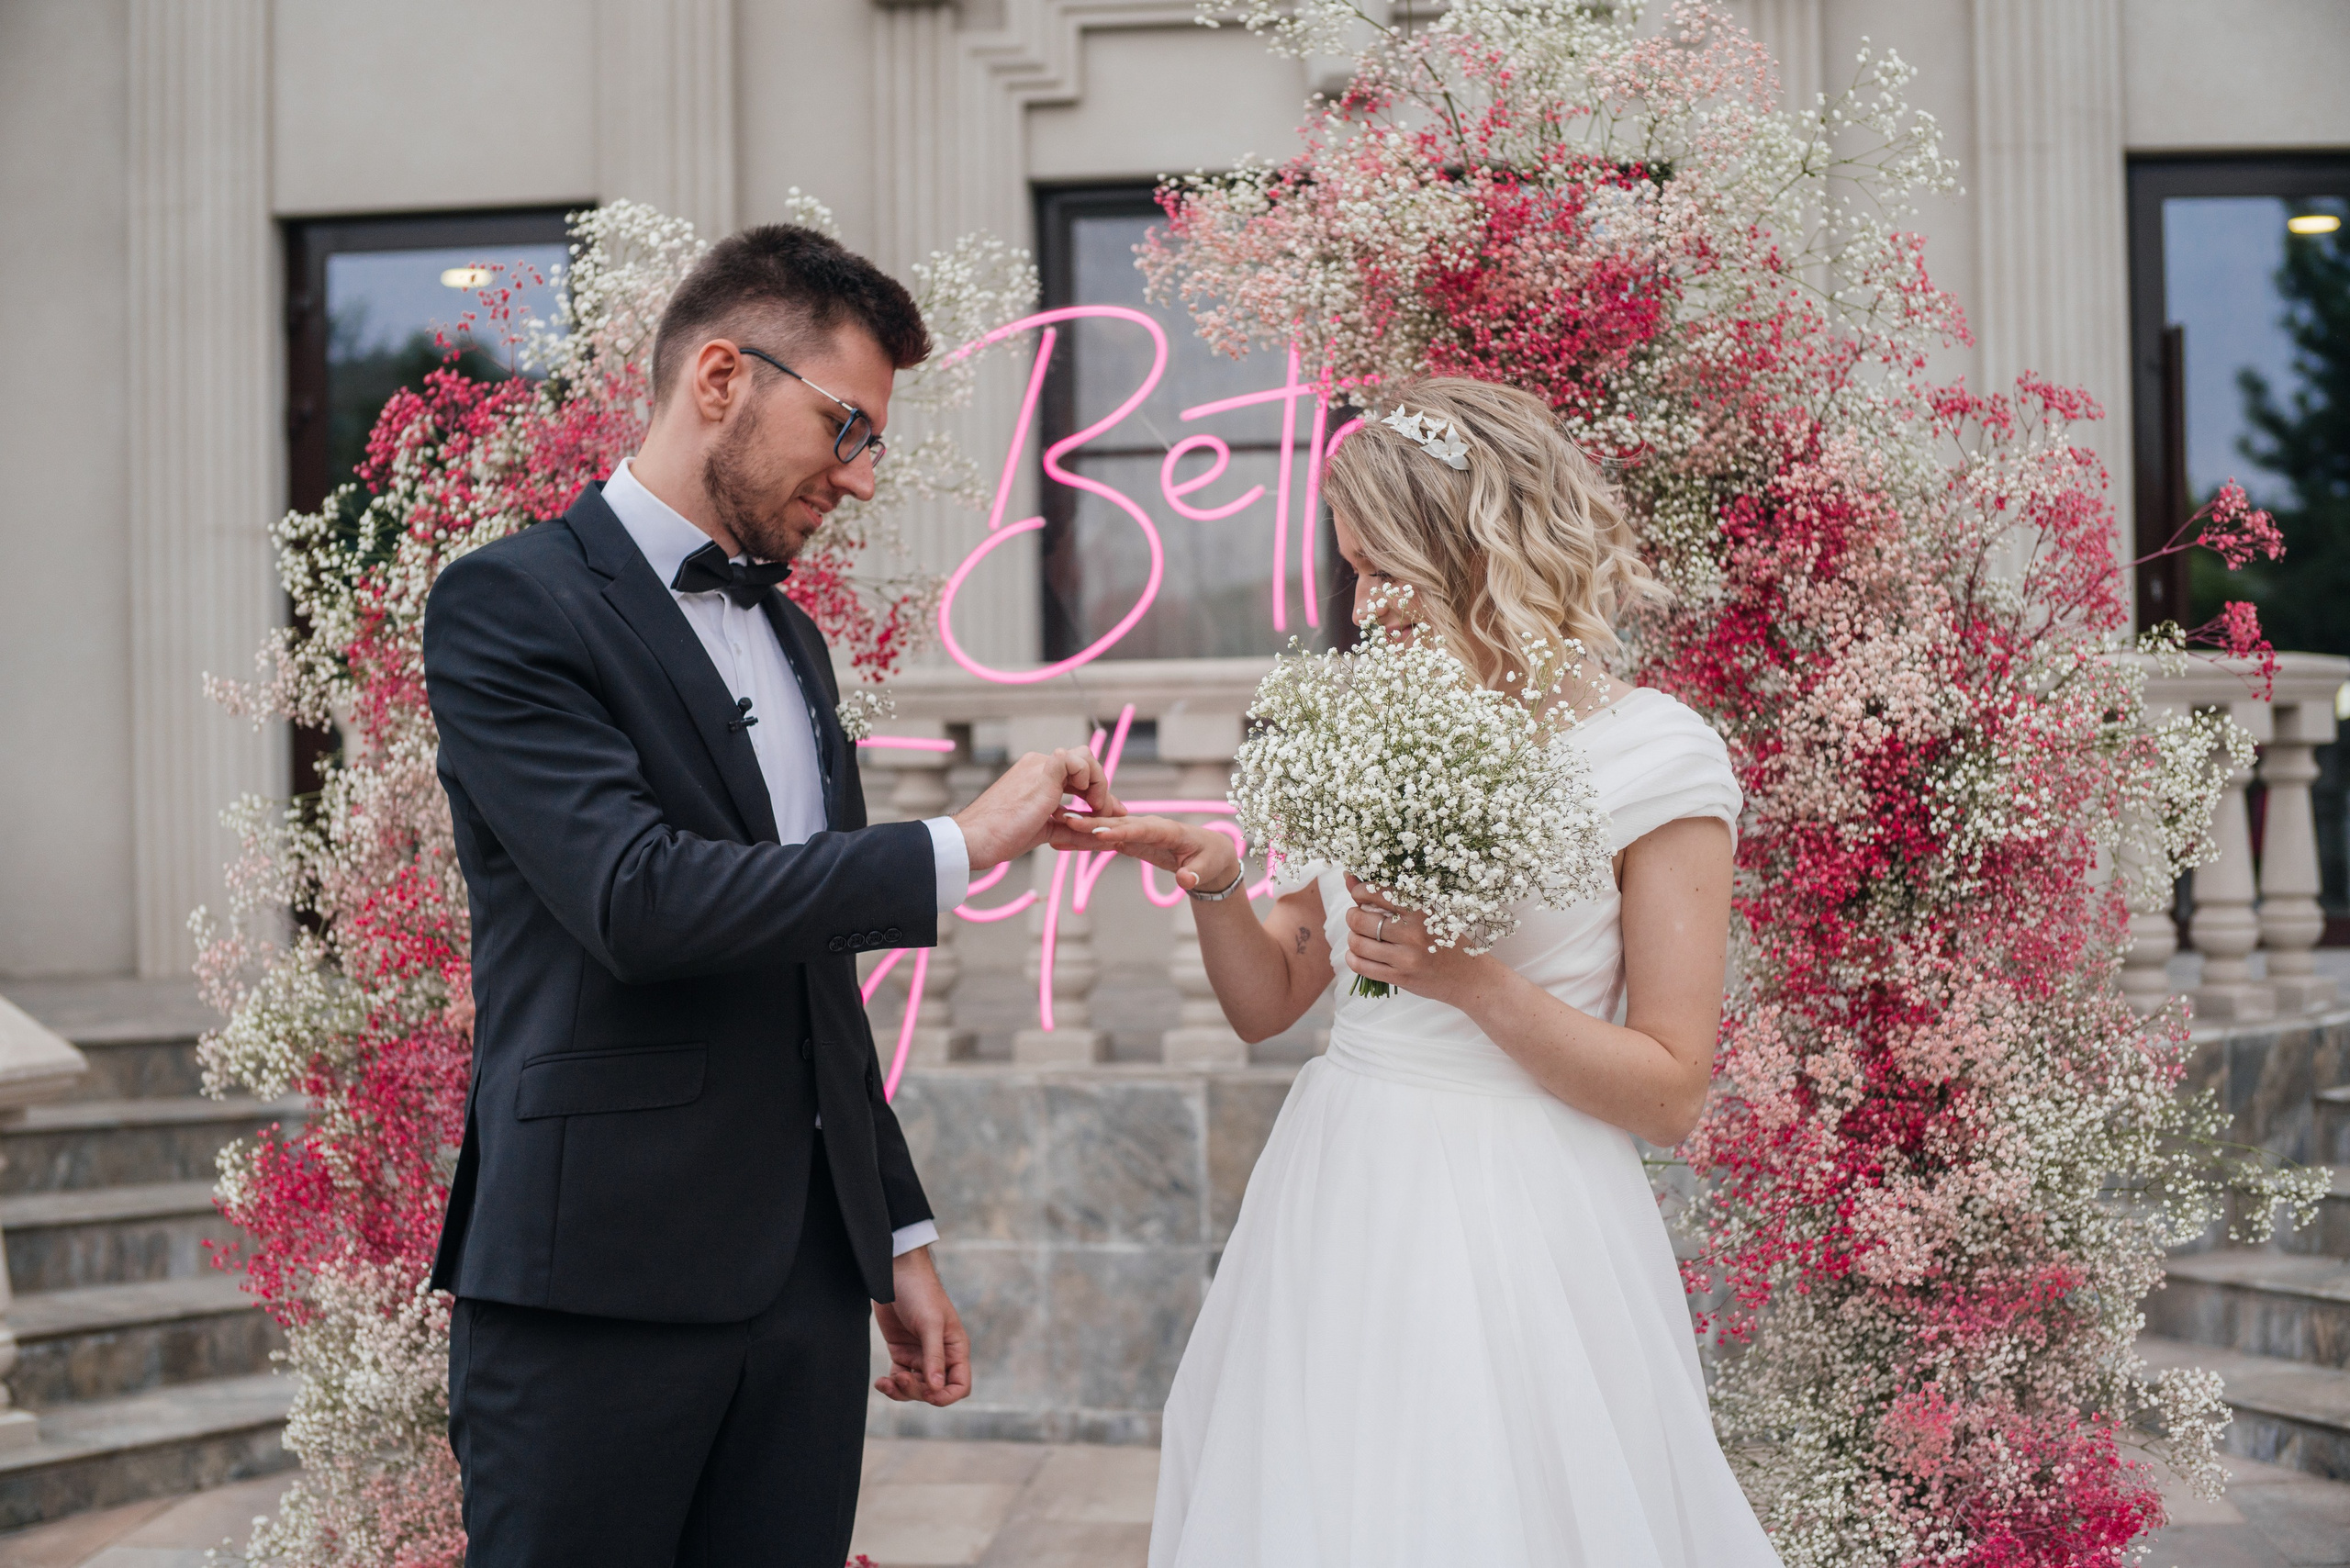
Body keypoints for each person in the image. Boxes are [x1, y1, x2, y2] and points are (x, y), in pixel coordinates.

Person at [420, 223, 1123, 1568]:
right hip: (596, 1289)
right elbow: (637, 900)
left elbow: (812, 969)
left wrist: (893, 1230)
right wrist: (962, 845)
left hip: (803, 1288)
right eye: (846, 426)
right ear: (725, 376)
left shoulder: (792, 634)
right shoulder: (508, 604)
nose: (860, 478)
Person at [1069, 377, 1783, 1566]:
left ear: (1475, 548)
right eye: (1350, 567)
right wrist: (1213, 877)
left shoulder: (1657, 757)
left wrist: (1477, 985)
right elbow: (1269, 1004)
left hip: (1529, 1220)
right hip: (1341, 1192)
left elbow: (1670, 1087)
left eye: (1382, 565)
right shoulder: (1356, 717)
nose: (1363, 604)